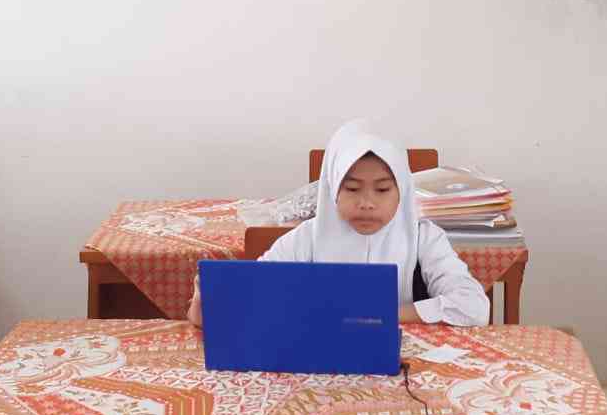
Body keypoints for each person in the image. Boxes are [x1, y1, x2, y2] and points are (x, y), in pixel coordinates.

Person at [188, 120, 489, 327]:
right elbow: (255, 292)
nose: (367, 203)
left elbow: (474, 307)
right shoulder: (308, 237)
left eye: (383, 189)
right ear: (332, 189)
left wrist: (385, 316)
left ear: (403, 190)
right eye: (352, 189)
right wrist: (210, 305)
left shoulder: (423, 237)